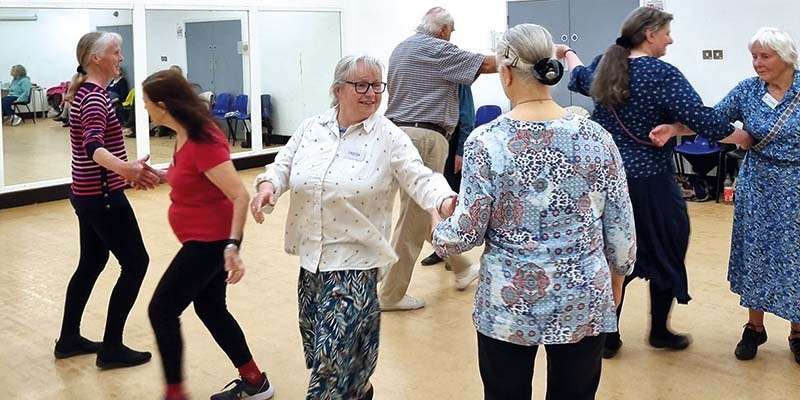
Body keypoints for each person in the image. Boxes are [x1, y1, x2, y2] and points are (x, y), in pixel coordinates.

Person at [431, 23, 636, 400]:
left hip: (508, 302)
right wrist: (617, 277)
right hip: (582, 295)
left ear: (506, 73)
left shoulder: (487, 141)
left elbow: (466, 233)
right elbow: (621, 228)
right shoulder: (596, 137)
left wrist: (438, 221)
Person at [250, 55, 456, 400]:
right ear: (337, 90)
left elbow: (419, 177)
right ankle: (359, 389)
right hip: (312, 259)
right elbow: (283, 164)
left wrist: (445, 201)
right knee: (324, 350)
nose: (371, 93)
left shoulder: (388, 136)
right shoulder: (312, 128)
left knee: (329, 368)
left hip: (356, 265)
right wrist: (268, 186)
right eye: (361, 85)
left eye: (377, 86)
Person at [562, 6, 753, 358]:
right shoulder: (660, 74)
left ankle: (609, 336)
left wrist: (568, 52)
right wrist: (741, 137)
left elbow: (576, 77)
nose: (670, 38)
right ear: (650, 34)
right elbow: (702, 118)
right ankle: (660, 331)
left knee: (612, 254)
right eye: (666, 32)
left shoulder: (607, 67)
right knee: (667, 247)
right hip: (651, 183)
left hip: (606, 182)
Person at [653, 27, 800, 365]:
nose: (757, 63)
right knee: (757, 253)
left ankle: (797, 331)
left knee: (796, 256)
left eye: (765, 56)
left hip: (795, 185)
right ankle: (755, 327)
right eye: (754, 56)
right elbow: (710, 119)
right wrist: (675, 128)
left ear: (786, 57)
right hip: (758, 185)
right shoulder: (748, 91)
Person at [142, 70, 274, 400]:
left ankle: (175, 393)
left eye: (145, 103)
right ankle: (254, 380)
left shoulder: (203, 140)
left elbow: (239, 196)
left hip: (211, 242)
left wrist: (233, 245)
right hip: (202, 239)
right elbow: (189, 175)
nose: (142, 109)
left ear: (161, 105)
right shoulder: (183, 133)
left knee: (161, 309)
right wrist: (157, 175)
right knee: (210, 308)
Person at [381, 7, 498, 311]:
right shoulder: (439, 49)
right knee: (416, 217)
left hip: (394, 134)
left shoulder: (401, 49)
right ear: (445, 30)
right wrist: (527, 57)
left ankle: (461, 266)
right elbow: (485, 64)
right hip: (425, 138)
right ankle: (391, 294)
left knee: (420, 209)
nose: (452, 37)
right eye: (452, 32)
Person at [54, 31, 158, 369]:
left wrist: (125, 171)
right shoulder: (96, 98)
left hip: (86, 195)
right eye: (116, 52)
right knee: (136, 263)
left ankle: (69, 338)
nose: (120, 58)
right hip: (102, 198)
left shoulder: (85, 93)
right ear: (96, 58)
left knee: (91, 263)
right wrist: (127, 169)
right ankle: (111, 347)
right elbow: (93, 147)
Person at [421, 83, 476, 267]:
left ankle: (454, 251)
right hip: (438, 142)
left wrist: (461, 151)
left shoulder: (460, 81)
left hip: (454, 146)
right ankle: (442, 251)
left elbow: (467, 117)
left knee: (451, 199)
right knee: (437, 197)